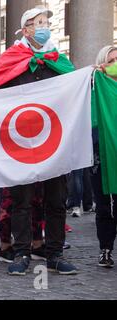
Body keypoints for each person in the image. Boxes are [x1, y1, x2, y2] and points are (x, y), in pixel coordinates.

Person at [0, 8, 78, 275]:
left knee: (56, 199)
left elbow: (76, 89)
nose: (44, 26)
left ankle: (54, 253)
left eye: (46, 22)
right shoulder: (11, 58)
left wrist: (95, 75)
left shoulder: (59, 60)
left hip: (54, 143)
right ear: (26, 30)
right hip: (20, 143)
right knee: (22, 199)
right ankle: (21, 252)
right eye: (38, 23)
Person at [91, 45, 117, 268]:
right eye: (110, 61)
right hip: (101, 152)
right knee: (103, 205)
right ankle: (105, 249)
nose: (114, 65)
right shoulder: (95, 86)